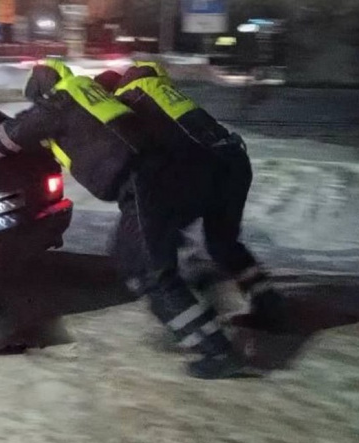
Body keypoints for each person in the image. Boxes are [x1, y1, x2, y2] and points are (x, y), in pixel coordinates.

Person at [0, 59, 249, 379]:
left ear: (41, 91)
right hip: (159, 178)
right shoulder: (89, 92)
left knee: (145, 269)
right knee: (143, 256)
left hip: (143, 184)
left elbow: (8, 135)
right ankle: (202, 317)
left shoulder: (59, 101)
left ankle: (215, 348)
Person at [110, 61, 284, 331]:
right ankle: (268, 302)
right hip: (234, 162)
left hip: (199, 170)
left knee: (158, 236)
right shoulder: (165, 92)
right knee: (222, 243)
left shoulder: (132, 98)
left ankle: (198, 311)